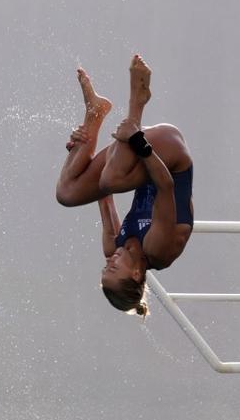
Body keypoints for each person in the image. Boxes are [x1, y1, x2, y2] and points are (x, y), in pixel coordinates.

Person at [55, 55, 194, 316]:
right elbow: (165, 185)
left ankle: (94, 114)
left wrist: (77, 152)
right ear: (136, 272)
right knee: (111, 179)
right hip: (170, 156)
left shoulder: (113, 246)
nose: (110, 260)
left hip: (134, 159)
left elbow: (102, 193)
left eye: (105, 267)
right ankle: (136, 104)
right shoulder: (158, 250)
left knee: (67, 193)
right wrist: (136, 140)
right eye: (114, 268)